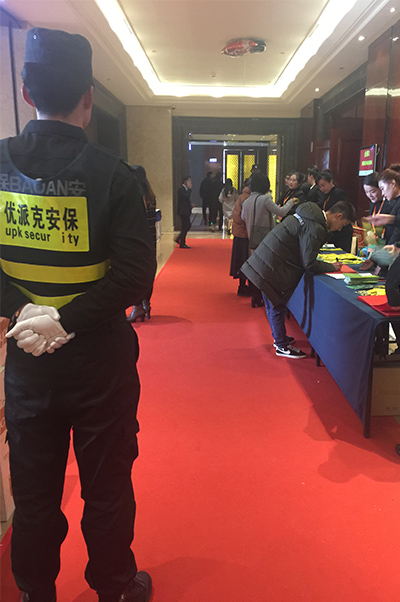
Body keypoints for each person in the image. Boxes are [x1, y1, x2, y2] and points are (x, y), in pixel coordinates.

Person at [0, 28, 155, 602]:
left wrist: (25, 311)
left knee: (35, 494)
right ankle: (113, 586)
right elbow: (135, 276)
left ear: (25, 92)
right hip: (99, 364)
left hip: (27, 359)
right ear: (88, 98)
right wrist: (65, 321)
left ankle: (34, 592)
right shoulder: (114, 174)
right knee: (106, 487)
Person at [241, 201, 356, 358]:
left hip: (265, 260)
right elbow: (309, 263)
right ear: (338, 216)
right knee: (276, 305)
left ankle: (279, 337)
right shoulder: (316, 227)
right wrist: (331, 267)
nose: (340, 229)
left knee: (272, 304)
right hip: (272, 266)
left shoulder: (308, 213)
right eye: (343, 224)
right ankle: (281, 345)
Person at [241, 173, 295, 307]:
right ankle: (264, 297)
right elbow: (281, 212)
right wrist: (291, 202)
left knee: (255, 267)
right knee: (266, 269)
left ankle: (255, 295)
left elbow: (243, 217)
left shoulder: (247, 201)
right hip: (265, 238)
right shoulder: (265, 199)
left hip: (252, 238)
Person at [127, 165, 158, 323]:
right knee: (148, 273)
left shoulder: (135, 195)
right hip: (151, 240)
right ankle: (146, 304)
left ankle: (137, 306)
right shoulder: (151, 196)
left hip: (138, 241)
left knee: (135, 274)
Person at [316, 171, 354, 251]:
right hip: (333, 229)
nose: (322, 189)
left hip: (342, 231)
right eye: (320, 187)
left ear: (331, 181)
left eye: (323, 185)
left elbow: (346, 212)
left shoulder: (339, 194)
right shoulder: (326, 195)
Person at [365, 164, 400, 244]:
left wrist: (390, 219)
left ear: (393, 183)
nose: (383, 193)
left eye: (383, 188)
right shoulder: (395, 201)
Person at [229, 184, 251, 296]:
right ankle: (244, 287)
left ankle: (242, 286)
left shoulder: (242, 196)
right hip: (244, 233)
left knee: (240, 260)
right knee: (245, 259)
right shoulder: (248, 199)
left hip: (239, 232)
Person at [176, 175, 194, 248]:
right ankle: (182, 243)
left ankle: (179, 239)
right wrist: (189, 189)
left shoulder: (186, 190)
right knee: (186, 226)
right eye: (189, 181)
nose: (190, 182)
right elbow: (185, 197)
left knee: (187, 226)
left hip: (186, 210)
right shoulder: (181, 190)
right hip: (183, 211)